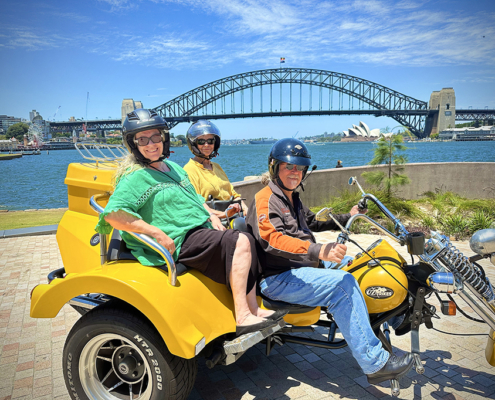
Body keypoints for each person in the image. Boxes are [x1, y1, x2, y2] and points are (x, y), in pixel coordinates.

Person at [95, 109, 281, 336]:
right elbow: (114, 214)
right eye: (142, 139)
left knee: (248, 239)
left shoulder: (172, 168)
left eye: (155, 137)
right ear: (133, 144)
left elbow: (194, 197)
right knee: (239, 241)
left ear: (164, 139)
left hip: (197, 230)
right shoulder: (136, 176)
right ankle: (241, 315)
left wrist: (211, 215)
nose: (151, 144)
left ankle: (253, 308)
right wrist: (155, 233)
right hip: (178, 238)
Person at [246, 138, 413, 385]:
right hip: (278, 278)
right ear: (275, 167)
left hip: (303, 268)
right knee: (342, 285)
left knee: (364, 262)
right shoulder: (266, 198)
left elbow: (313, 221)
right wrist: (318, 250)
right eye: (288, 166)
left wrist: (350, 215)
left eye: (299, 168)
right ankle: (375, 364)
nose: (295, 172)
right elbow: (272, 240)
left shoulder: (291, 197)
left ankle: (397, 315)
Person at [183, 120, 248, 219]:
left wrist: (244, 207)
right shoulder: (189, 170)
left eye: (210, 141)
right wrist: (223, 214)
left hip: (233, 216)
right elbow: (195, 204)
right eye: (201, 141)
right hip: (213, 220)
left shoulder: (216, 167)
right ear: (194, 144)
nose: (206, 145)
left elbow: (233, 193)